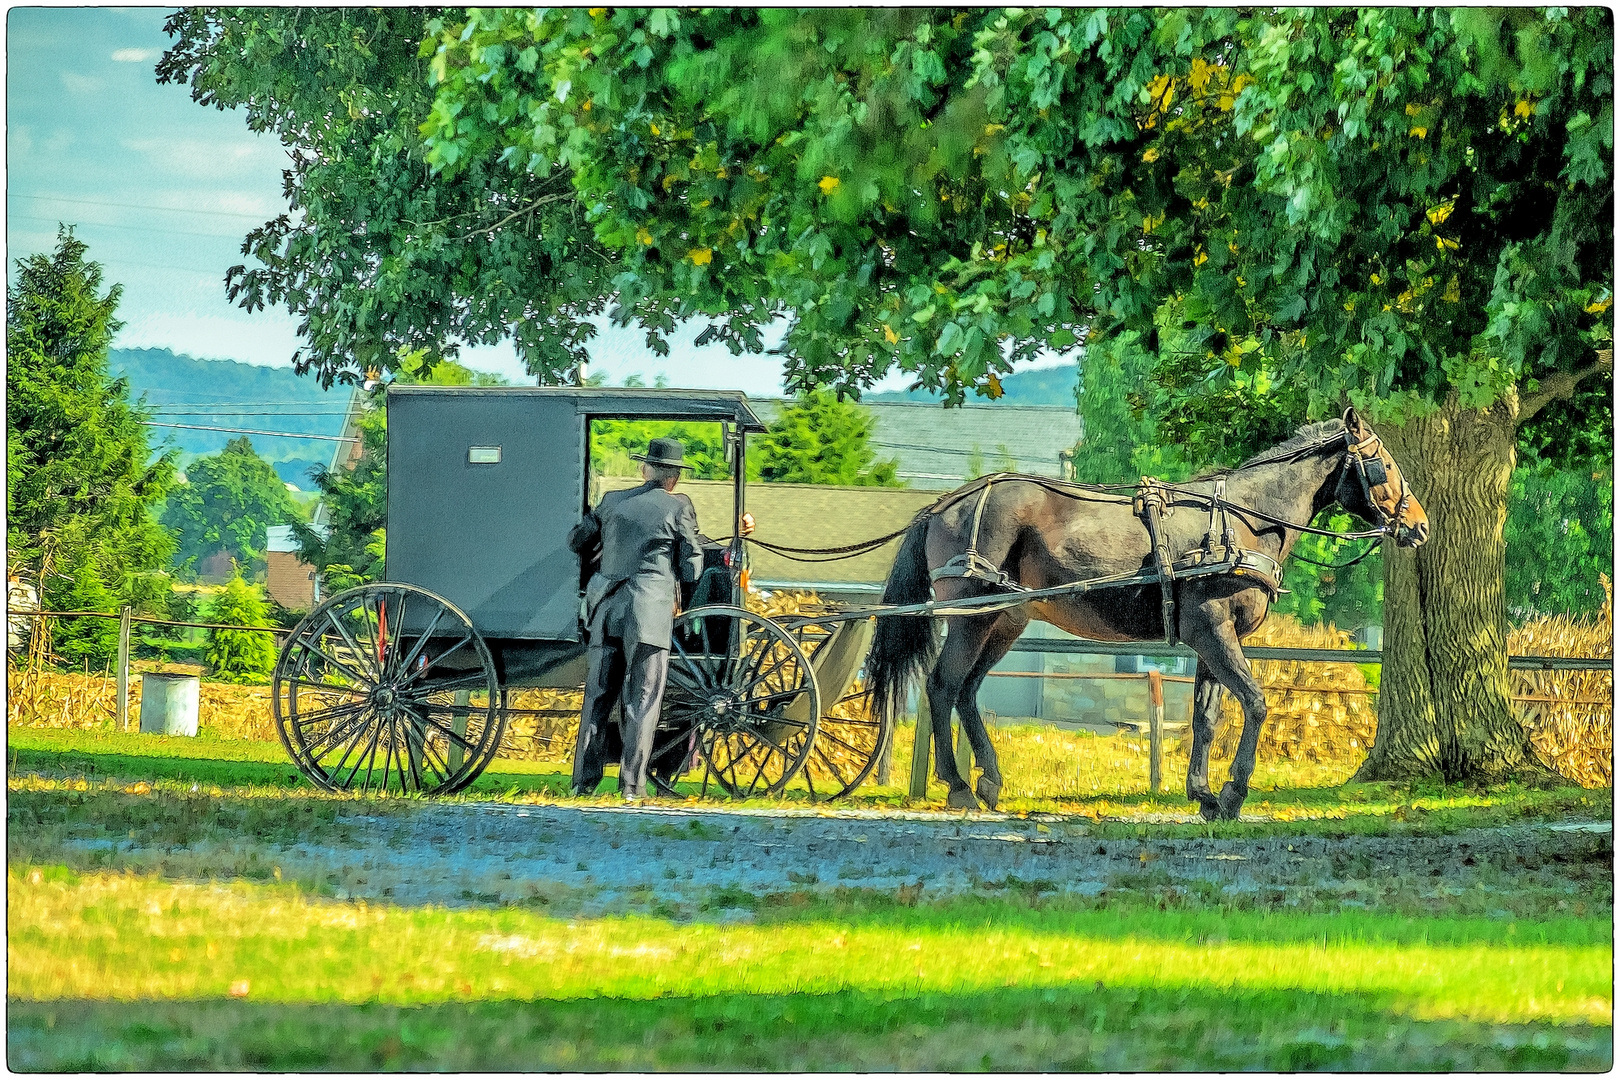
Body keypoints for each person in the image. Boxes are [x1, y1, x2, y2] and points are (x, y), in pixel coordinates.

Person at [566, 437, 705, 801]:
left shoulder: (613, 501)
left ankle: (583, 783)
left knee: (597, 697)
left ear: (645, 469)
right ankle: (631, 786)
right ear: (674, 477)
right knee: (642, 701)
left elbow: (577, 539)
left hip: (606, 609)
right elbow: (691, 568)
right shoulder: (679, 507)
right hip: (648, 612)